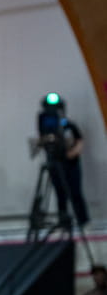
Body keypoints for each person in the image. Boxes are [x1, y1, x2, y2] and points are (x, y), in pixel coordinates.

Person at [35, 95, 89, 230]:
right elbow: (41, 140)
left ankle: (83, 221)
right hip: (54, 163)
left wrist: (73, 152)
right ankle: (64, 223)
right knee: (61, 194)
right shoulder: (45, 127)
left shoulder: (69, 126)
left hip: (71, 165)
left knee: (75, 193)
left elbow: (79, 141)